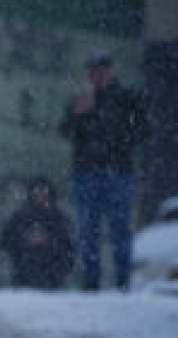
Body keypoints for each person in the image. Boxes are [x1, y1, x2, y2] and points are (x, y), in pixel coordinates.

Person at [60, 51, 147, 290]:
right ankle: (91, 282)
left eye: (101, 70)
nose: (96, 75)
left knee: (119, 229)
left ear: (111, 71)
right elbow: (67, 132)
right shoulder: (81, 99)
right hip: (87, 172)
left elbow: (141, 131)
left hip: (118, 172)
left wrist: (113, 127)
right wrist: (78, 115)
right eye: (93, 70)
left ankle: (123, 281)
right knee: (88, 230)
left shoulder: (127, 99)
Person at [0, 177, 76, 289]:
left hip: (53, 277)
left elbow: (68, 248)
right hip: (24, 275)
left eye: (43, 191)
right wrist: (25, 239)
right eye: (36, 192)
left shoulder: (59, 218)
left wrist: (48, 241)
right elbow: (5, 241)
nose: (40, 196)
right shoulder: (20, 216)